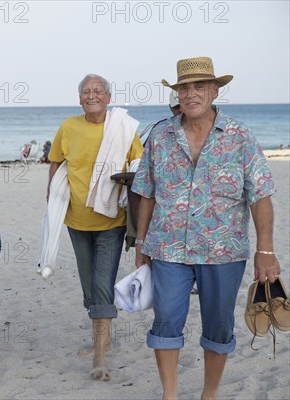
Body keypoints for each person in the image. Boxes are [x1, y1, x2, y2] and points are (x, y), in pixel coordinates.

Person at [132, 56, 280, 400]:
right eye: (184, 87)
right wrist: (141, 241)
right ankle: (170, 395)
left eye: (199, 86)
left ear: (214, 91)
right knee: (166, 320)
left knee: (219, 324)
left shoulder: (240, 136)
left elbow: (260, 195)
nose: (191, 93)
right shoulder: (160, 135)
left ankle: (209, 394)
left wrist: (266, 250)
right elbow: (147, 192)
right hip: (168, 247)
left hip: (224, 250)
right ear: (177, 93)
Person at [47, 74, 144, 381]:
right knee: (89, 287)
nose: (92, 95)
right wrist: (51, 197)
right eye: (86, 92)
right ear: (80, 99)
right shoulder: (68, 127)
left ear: (108, 96)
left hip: (111, 220)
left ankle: (100, 357)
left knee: (102, 284)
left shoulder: (124, 128)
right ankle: (107, 336)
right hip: (76, 220)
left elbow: (139, 167)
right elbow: (55, 162)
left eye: (98, 91)